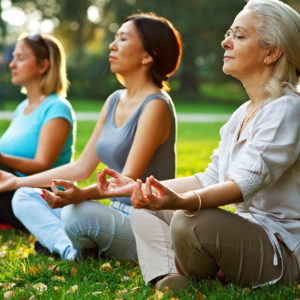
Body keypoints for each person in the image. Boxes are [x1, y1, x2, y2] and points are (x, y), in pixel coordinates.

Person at [96, 0, 300, 290]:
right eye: (229, 33)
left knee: (189, 221)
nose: (225, 42)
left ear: (272, 52)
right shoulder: (242, 113)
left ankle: (201, 272)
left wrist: (182, 202)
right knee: (145, 208)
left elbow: (242, 185)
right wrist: (137, 189)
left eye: (239, 36)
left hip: (280, 251)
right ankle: (167, 278)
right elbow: (210, 178)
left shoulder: (286, 109)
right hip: (249, 235)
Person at [0, 13, 182, 260]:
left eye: (123, 38)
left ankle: (65, 243)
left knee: (78, 213)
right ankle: (70, 249)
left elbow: (126, 181)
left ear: (148, 56)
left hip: (144, 224)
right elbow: (81, 168)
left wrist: (81, 195)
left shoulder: (156, 106)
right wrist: (17, 183)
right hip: (112, 215)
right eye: (115, 37)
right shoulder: (114, 100)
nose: (112, 45)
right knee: (24, 197)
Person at [0, 33, 75, 230]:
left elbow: (43, 164)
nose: (12, 64)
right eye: (13, 57)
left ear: (43, 66)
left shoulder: (57, 108)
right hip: (10, 189)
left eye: (21, 58)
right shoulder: (22, 107)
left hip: (38, 200)